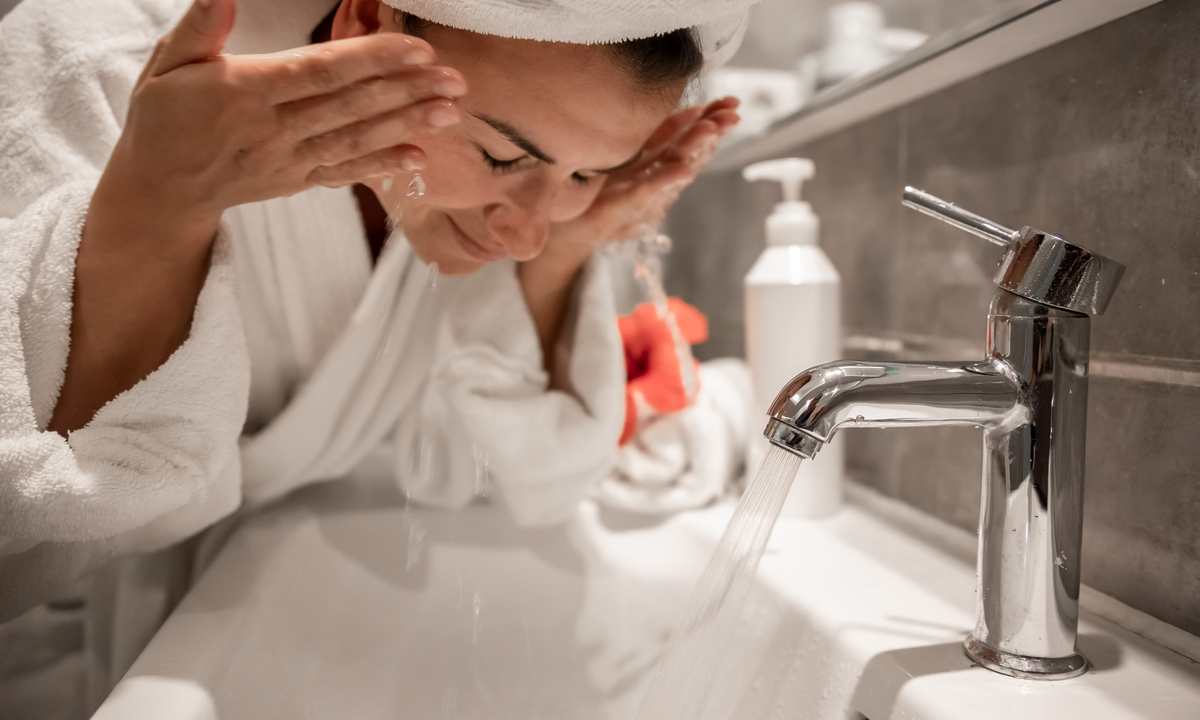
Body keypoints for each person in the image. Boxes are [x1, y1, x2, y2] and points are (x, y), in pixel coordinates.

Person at [0, 0, 749, 709]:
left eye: (587, 173)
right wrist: (152, 206)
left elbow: (494, 470)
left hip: (241, 615)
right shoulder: (99, 62)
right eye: (498, 155)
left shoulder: (500, 203)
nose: (528, 230)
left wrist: (567, 251)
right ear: (367, 22)